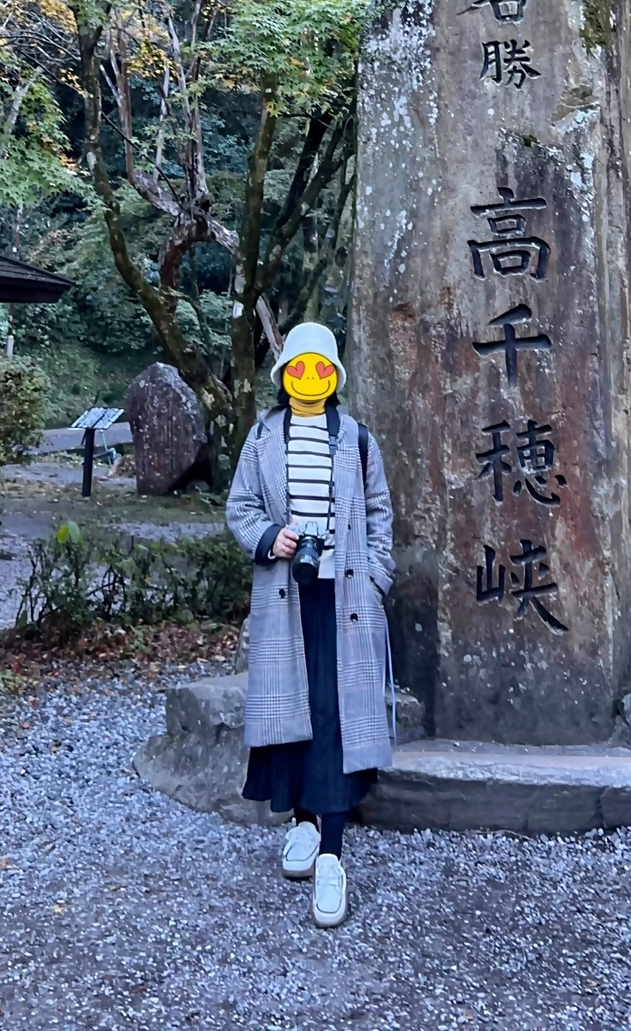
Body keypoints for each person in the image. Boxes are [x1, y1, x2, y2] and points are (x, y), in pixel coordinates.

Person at [226, 321, 395, 928]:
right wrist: (272, 538)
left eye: (320, 368)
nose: (308, 378)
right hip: (282, 591)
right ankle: (298, 820)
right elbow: (239, 506)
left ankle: (332, 851)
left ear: (334, 376)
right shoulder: (262, 437)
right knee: (288, 711)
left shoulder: (355, 438)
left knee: (333, 715)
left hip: (343, 596)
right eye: (297, 368)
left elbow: (379, 512)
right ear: (283, 374)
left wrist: (376, 574)